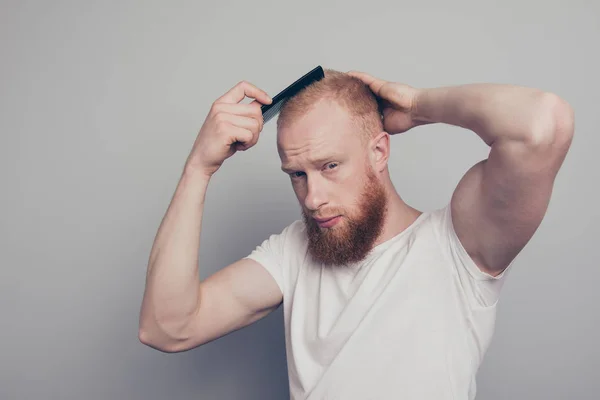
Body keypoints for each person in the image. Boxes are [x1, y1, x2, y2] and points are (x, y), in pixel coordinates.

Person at [138, 69, 574, 399]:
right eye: (297, 174)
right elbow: (167, 327)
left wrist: (420, 104)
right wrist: (199, 168)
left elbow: (543, 124)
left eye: (329, 166)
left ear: (379, 151)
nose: (312, 198)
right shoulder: (295, 250)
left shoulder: (458, 244)